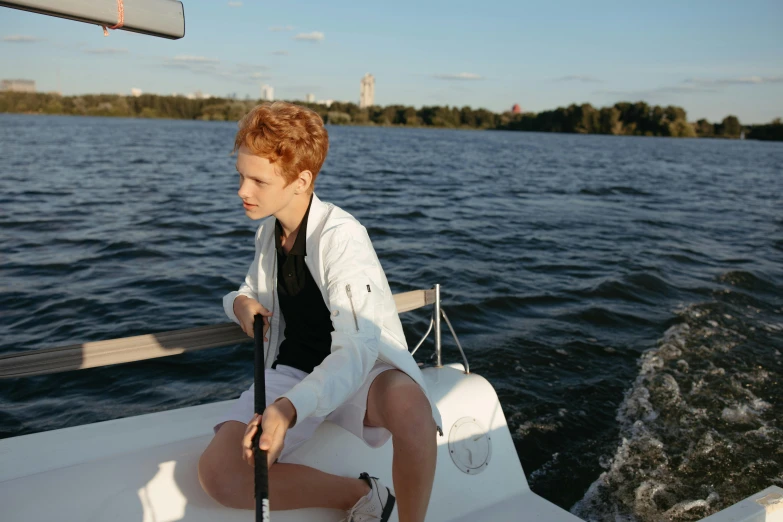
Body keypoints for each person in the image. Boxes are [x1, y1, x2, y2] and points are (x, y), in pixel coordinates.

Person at [197, 101, 442, 522]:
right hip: (294, 370)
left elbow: (357, 349)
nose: (242, 190)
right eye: (241, 176)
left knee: (412, 408)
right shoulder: (269, 233)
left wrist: (290, 408)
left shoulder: (342, 237)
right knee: (220, 474)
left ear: (301, 180)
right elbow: (251, 290)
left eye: (257, 180)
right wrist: (238, 303)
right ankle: (359, 496)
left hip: (359, 374)